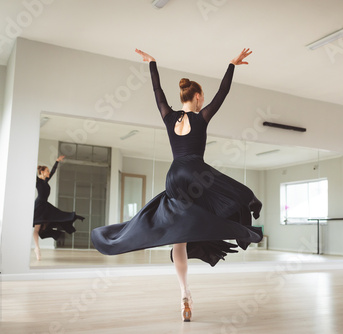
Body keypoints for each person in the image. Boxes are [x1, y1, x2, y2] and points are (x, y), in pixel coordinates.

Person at [91, 48, 263, 322]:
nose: (203, 102)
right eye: (202, 99)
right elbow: (223, 93)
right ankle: (249, 208)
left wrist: (152, 64)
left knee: (179, 237)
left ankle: (184, 294)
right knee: (237, 195)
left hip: (174, 176)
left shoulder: (169, 117)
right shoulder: (201, 117)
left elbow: (157, 91)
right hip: (195, 171)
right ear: (196, 98)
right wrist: (231, 65)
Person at [33, 156, 85, 260]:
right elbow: (31, 170)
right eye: (46, 171)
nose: (48, 173)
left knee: (57, 216)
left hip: (45, 205)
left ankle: (39, 246)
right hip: (39, 205)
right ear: (42, 172)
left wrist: (57, 161)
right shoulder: (38, 181)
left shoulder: (46, 181)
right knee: (37, 228)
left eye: (48, 171)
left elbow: (53, 171)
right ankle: (37, 248)